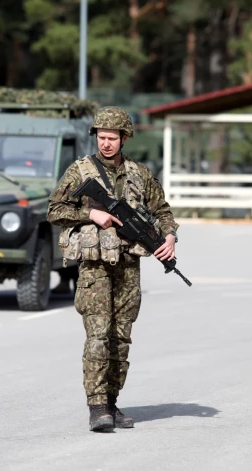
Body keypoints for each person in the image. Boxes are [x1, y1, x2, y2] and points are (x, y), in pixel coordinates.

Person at [46, 106, 179, 432]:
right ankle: (97, 407)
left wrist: (171, 236)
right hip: (94, 270)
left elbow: (162, 210)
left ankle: (113, 403)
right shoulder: (80, 171)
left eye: (112, 138)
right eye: (102, 137)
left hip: (128, 268)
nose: (106, 144)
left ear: (124, 139)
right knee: (98, 337)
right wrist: (91, 215)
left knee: (121, 339)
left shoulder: (139, 173)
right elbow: (54, 209)